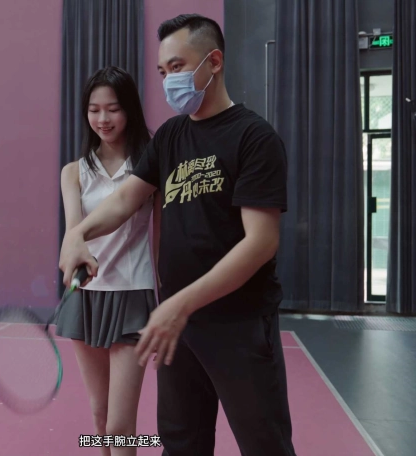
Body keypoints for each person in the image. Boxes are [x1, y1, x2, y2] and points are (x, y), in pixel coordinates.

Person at [59, 14, 296, 456]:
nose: (169, 80)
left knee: (263, 445)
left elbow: (261, 242)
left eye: (177, 67)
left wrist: (178, 304)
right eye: (162, 72)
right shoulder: (170, 136)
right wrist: (79, 234)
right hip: (178, 328)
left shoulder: (254, 138)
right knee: (181, 444)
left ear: (214, 62)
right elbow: (125, 200)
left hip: (237, 323)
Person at [55, 66, 159, 456]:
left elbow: (162, 236)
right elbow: (73, 234)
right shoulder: (73, 173)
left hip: (133, 294)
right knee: (99, 419)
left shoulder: (149, 165)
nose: (103, 119)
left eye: (113, 109)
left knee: (119, 425)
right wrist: (72, 256)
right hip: (87, 298)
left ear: (129, 109)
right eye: (94, 110)